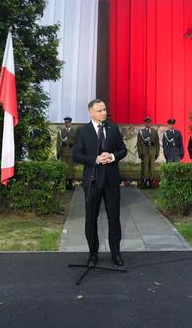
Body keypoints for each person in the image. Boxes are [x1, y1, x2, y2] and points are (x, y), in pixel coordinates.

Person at [73, 99, 127, 267]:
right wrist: (95, 159)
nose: (103, 113)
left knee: (114, 219)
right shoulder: (83, 131)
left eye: (104, 110)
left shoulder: (113, 129)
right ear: (91, 112)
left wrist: (112, 157)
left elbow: (123, 150)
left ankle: (116, 254)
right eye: (99, 111)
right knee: (91, 219)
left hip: (111, 181)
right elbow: (77, 155)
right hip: (92, 182)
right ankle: (93, 254)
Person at [136, 117, 159, 188]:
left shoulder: (154, 131)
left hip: (153, 151)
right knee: (145, 167)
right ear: (144, 123)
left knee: (152, 167)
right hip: (145, 152)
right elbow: (139, 143)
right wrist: (140, 153)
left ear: (150, 123)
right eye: (146, 122)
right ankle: (145, 181)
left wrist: (157, 152)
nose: (148, 123)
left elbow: (157, 143)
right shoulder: (141, 132)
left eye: (149, 122)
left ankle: (151, 181)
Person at [56, 116, 78, 189]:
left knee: (71, 168)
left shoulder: (74, 131)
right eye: (66, 122)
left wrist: (74, 144)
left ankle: (71, 183)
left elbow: (78, 142)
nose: (67, 124)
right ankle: (65, 183)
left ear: (70, 123)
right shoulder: (61, 131)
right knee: (64, 168)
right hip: (64, 153)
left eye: (68, 122)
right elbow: (58, 142)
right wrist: (58, 152)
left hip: (71, 153)